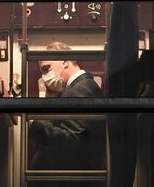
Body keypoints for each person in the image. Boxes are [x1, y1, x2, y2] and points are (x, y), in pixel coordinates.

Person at [28, 41, 105, 169]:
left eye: (47, 68)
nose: (45, 76)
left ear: (65, 61)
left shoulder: (79, 89)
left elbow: (73, 141)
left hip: (71, 183)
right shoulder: (79, 88)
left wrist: (32, 123)